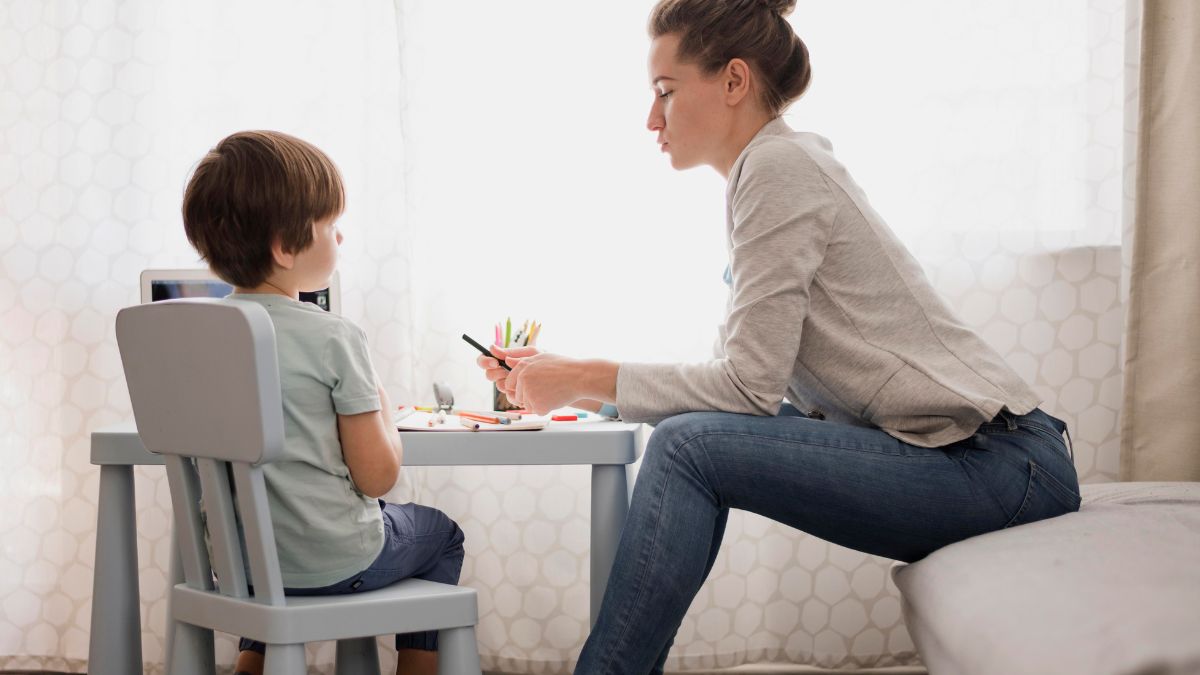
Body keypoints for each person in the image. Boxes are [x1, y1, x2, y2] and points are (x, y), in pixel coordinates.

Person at [475, 1, 1082, 672]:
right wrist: (571, 384)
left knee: (685, 446)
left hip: (998, 462)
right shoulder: (768, 170)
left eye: (665, 92)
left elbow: (746, 389)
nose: (652, 118)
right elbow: (734, 379)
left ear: (733, 82)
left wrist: (583, 375)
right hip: (990, 459)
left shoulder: (778, 168)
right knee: (691, 436)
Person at [182, 130, 463, 675]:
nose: (341, 238)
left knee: (269, 540)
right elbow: (377, 476)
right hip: (335, 563)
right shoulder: (333, 337)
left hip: (238, 568)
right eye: (333, 227)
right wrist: (382, 409)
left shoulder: (201, 339)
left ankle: (252, 662)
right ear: (285, 248)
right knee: (441, 534)